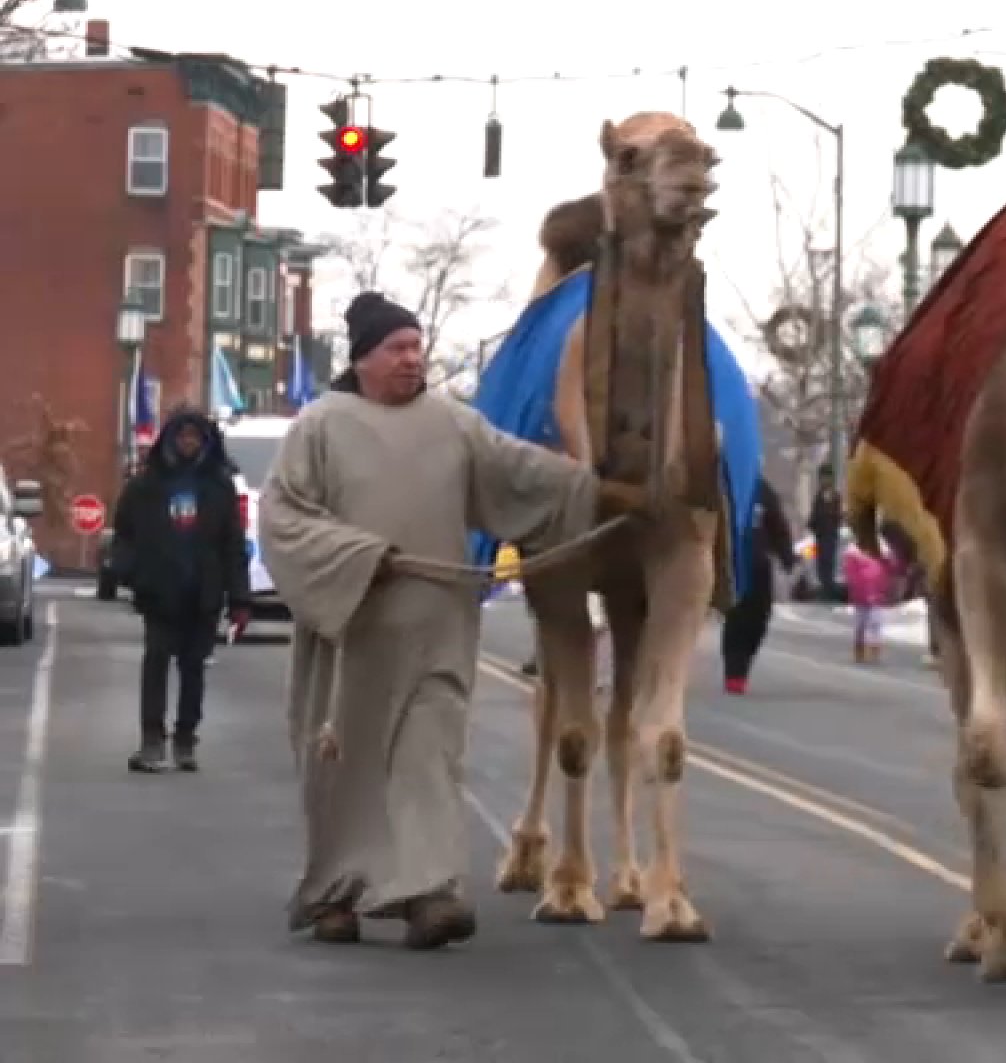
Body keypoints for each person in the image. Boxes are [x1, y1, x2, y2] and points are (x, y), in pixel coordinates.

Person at [259, 291, 651, 952]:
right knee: (346, 766)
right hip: (351, 631)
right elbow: (283, 520)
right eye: (398, 349)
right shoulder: (319, 427)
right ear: (363, 360)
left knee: (430, 759)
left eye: (418, 347)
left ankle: (429, 893)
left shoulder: (454, 424)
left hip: (438, 627)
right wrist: (358, 555)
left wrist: (610, 492)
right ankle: (338, 893)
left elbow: (524, 475)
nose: (414, 359)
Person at [109, 407, 251, 774]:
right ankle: (151, 739)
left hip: (203, 593)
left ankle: (185, 737)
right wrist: (128, 572)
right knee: (155, 663)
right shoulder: (146, 486)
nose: (188, 443)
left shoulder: (218, 487)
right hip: (159, 591)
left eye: (195, 437)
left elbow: (233, 546)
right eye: (182, 436)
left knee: (193, 667)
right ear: (170, 440)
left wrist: (239, 598)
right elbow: (124, 533)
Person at [720, 477, 796, 694]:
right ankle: (735, 672)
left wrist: (787, 559)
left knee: (759, 619)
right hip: (733, 564)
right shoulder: (724, 487)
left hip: (760, 567)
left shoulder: (762, 490)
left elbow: (778, 526)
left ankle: (744, 661)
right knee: (737, 618)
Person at [842, 534, 903, 664]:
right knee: (860, 624)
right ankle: (859, 649)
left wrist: (893, 559)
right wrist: (855, 588)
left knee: (876, 623)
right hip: (860, 596)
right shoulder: (853, 554)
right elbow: (850, 575)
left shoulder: (884, 553)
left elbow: (894, 568)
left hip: (878, 595)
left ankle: (874, 651)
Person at [806, 465, 843, 601]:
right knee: (821, 564)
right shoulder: (819, 495)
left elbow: (837, 516)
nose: (823, 480)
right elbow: (815, 514)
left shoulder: (834, 496)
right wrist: (812, 524)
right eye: (822, 477)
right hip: (820, 535)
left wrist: (828, 518)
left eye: (826, 477)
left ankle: (829, 591)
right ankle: (825, 589)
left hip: (829, 535)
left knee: (828, 562)